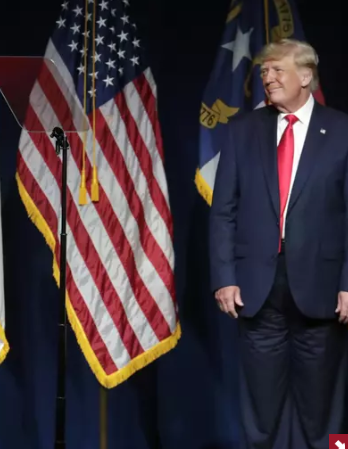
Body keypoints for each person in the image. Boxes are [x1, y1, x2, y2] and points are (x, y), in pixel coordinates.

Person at [209, 38, 348, 448]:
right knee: (261, 408)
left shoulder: (342, 131)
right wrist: (224, 277)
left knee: (327, 408)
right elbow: (223, 211)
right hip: (257, 287)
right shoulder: (241, 131)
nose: (267, 78)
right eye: (264, 71)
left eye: (277, 70)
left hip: (323, 288)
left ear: (305, 76)